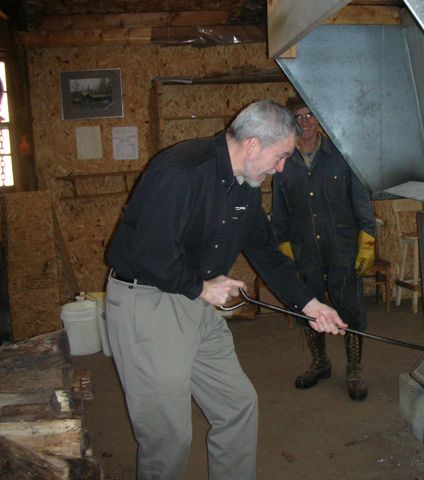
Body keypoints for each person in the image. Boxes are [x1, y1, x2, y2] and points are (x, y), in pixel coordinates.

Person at [105, 99, 347, 480]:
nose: (281, 168)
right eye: (280, 156)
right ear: (253, 145)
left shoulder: (245, 185)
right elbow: (148, 254)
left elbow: (265, 251)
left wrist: (311, 304)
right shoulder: (181, 171)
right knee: (167, 436)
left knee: (237, 406)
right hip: (148, 302)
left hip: (195, 301)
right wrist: (201, 288)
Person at [271, 96, 377, 401]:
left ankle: (354, 368)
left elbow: (361, 203)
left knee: (350, 309)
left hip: (342, 247)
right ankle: (320, 363)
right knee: (309, 309)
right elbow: (279, 214)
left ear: (318, 119)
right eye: (298, 117)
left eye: (309, 116)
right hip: (304, 251)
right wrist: (283, 249)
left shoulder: (341, 156)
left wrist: (367, 242)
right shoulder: (283, 162)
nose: (304, 123)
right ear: (290, 123)